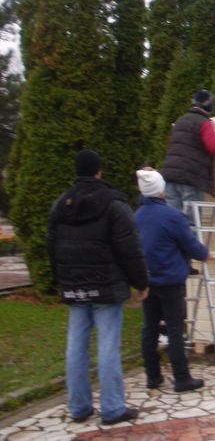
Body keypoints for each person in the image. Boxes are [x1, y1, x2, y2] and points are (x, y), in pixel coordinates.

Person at [47, 150, 150, 425]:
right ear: (98, 172)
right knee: (107, 347)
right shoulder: (114, 203)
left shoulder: (61, 204)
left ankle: (79, 407)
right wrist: (141, 281)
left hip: (74, 287)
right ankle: (112, 408)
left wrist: (61, 279)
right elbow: (130, 248)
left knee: (75, 347)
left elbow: (51, 247)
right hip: (105, 286)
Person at [134, 170, 213, 393]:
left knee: (149, 329)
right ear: (161, 190)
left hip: (148, 284)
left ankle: (153, 376)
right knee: (175, 330)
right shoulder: (172, 216)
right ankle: (181, 378)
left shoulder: (136, 216)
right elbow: (189, 244)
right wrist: (205, 253)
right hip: (170, 282)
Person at [160, 89, 215, 224]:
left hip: (169, 177)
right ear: (208, 103)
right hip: (190, 179)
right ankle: (189, 246)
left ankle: (174, 246)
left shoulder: (179, 122)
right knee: (191, 223)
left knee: (173, 223)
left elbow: (171, 144)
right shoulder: (204, 123)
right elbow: (214, 146)